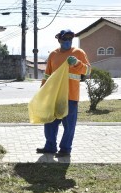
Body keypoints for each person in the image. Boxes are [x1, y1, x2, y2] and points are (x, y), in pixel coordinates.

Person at [36, 29, 91, 157]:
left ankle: (65, 149)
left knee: (69, 125)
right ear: (59, 40)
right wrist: (43, 91)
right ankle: (50, 147)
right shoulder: (53, 55)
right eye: (65, 39)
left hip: (70, 96)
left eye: (70, 39)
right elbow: (47, 75)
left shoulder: (78, 53)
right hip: (54, 96)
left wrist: (77, 63)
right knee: (50, 122)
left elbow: (88, 71)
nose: (68, 41)